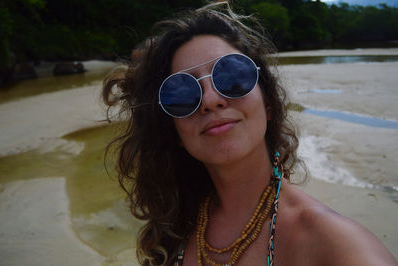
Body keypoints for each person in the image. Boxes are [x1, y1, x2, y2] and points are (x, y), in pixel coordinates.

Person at [102, 2, 398, 265]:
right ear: (175, 131)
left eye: (231, 76)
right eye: (182, 93)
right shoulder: (175, 228)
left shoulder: (333, 243)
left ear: (267, 103)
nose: (210, 100)